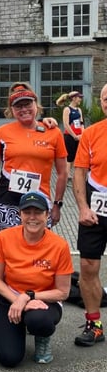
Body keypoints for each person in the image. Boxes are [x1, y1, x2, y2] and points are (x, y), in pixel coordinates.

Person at [0, 192, 73, 367]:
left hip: (44, 301)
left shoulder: (60, 246)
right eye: (27, 212)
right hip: (10, 297)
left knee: (38, 321)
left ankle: (42, 337)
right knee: (9, 358)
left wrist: (28, 296)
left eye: (38, 212)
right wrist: (18, 300)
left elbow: (63, 292)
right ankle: (15, 328)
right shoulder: (5, 238)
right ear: (20, 214)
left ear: (47, 215)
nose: (32, 217)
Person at [0, 83, 67, 231]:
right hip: (8, 200)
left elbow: (63, 173)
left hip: (40, 200)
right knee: (10, 246)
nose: (24, 109)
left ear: (36, 105)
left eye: (28, 104)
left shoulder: (53, 132)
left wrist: (57, 204)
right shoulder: (1, 132)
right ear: (11, 110)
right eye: (18, 106)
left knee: (37, 248)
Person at [72, 83, 107, 347]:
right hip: (96, 210)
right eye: (105, 99)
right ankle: (94, 322)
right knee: (87, 267)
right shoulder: (91, 133)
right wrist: (82, 207)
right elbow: (80, 172)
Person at [56, 90, 84, 182]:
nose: (80, 99)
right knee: (69, 157)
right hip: (69, 136)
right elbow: (66, 125)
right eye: (79, 97)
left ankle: (69, 174)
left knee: (74, 157)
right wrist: (74, 135)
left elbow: (81, 122)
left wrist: (82, 134)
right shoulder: (67, 109)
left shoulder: (79, 110)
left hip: (79, 136)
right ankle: (66, 176)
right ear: (74, 98)